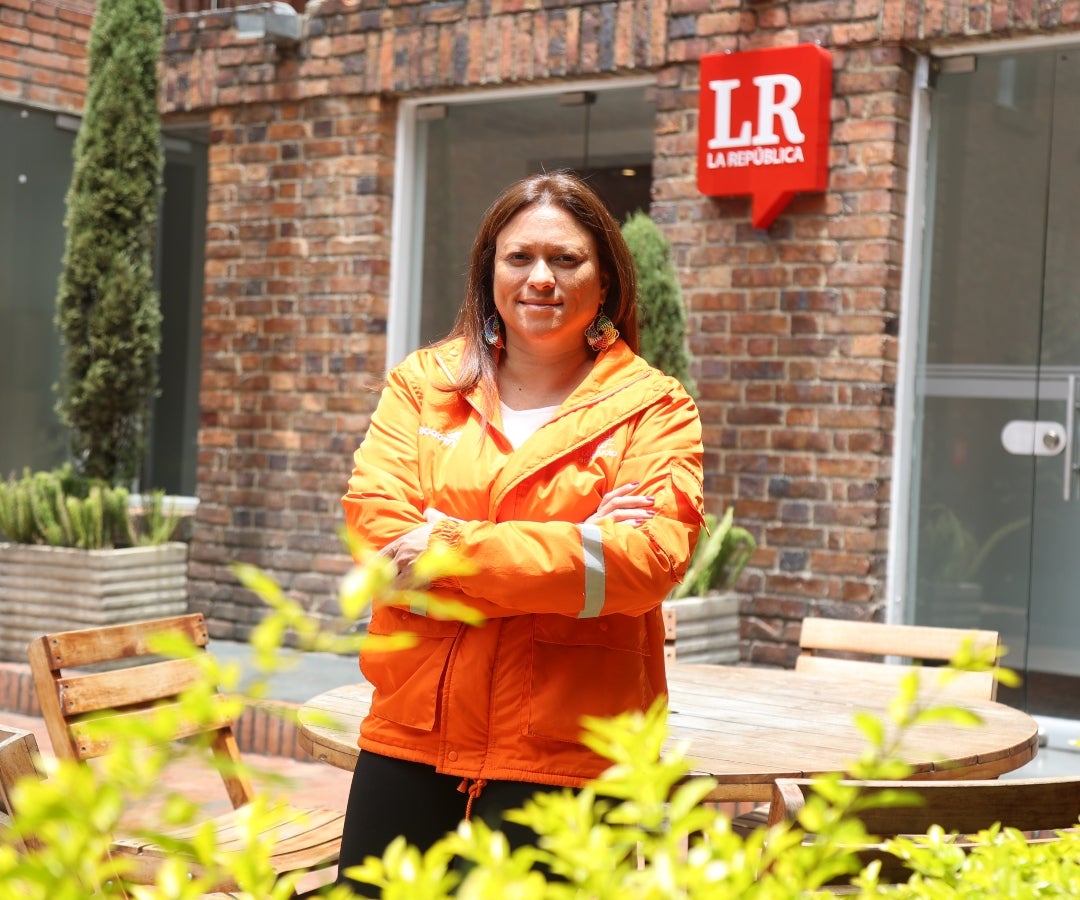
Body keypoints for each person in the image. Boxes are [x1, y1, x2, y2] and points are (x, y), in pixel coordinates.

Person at [336, 170, 705, 893]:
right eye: (520, 257)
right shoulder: (423, 386)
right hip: (413, 729)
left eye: (567, 259)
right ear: (489, 271)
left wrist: (449, 546)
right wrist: (573, 545)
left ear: (605, 279)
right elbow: (379, 538)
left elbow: (643, 563)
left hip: (567, 752)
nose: (542, 278)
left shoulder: (655, 408)